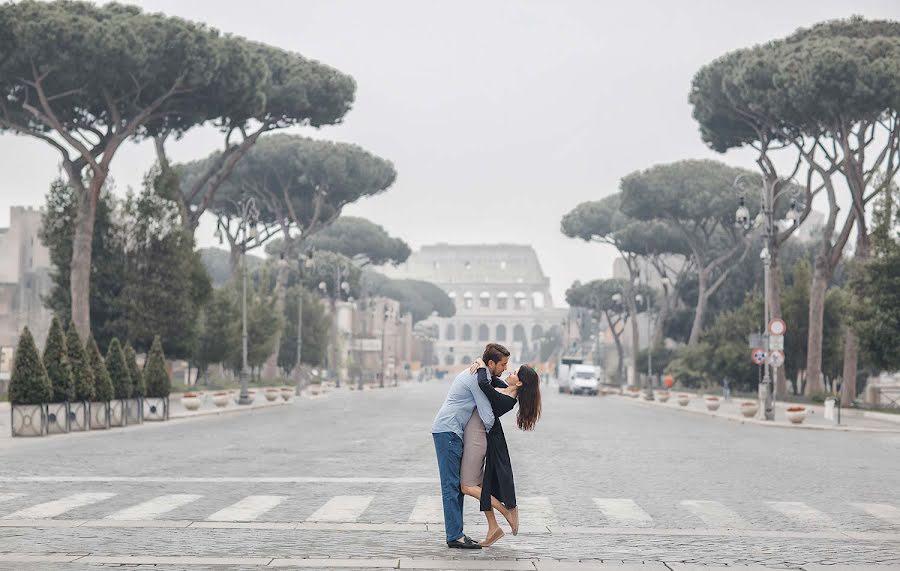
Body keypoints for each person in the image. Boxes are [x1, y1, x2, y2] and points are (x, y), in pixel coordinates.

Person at [460, 351, 543, 546]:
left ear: (520, 383)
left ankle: (507, 512)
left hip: (480, 436)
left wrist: (481, 363)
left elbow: (483, 384)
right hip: (480, 434)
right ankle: (493, 528)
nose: (509, 372)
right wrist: (482, 363)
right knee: (481, 486)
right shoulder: (506, 389)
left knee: (467, 486)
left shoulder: (507, 400)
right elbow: (491, 378)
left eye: (514, 372)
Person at [431, 344, 501, 549]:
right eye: (503, 364)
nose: (505, 367)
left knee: (456, 486)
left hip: (451, 431)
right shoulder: (475, 378)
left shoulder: (481, 375)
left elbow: (499, 385)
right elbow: (487, 416)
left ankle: (457, 533)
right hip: (448, 431)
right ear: (491, 363)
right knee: (451, 485)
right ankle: (455, 536)